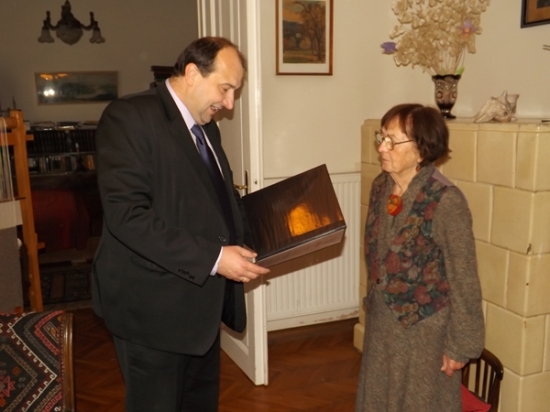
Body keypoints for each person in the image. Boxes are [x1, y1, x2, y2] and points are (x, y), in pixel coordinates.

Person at [92, 36, 270, 412]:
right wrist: (215, 258)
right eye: (225, 88)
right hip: (152, 312)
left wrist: (268, 234)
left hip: (201, 310)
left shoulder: (207, 127)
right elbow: (127, 217)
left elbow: (221, 200)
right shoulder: (129, 117)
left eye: (234, 92)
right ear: (192, 73)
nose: (229, 103)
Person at [355, 104, 485, 412]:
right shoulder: (381, 187)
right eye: (382, 137)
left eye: (392, 141)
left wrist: (459, 347)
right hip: (383, 323)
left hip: (424, 334)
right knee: (378, 398)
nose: (381, 147)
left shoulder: (446, 201)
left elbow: (465, 279)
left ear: (421, 149)